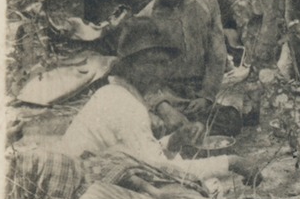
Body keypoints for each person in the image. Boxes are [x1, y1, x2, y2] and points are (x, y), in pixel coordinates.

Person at [60, 19, 261, 184]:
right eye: (153, 64)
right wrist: (231, 162)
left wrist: (174, 140)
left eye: (164, 64)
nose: (161, 72)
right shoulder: (125, 106)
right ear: (131, 64)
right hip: (81, 190)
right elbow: (161, 172)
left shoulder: (115, 93)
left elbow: (140, 153)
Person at [135, 0, 239, 142]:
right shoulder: (145, 20)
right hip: (167, 100)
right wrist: (162, 107)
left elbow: (216, 56)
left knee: (232, 119)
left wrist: (207, 96)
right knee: (153, 127)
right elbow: (143, 78)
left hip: (197, 98)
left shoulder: (207, 4)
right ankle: (182, 132)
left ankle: (190, 132)